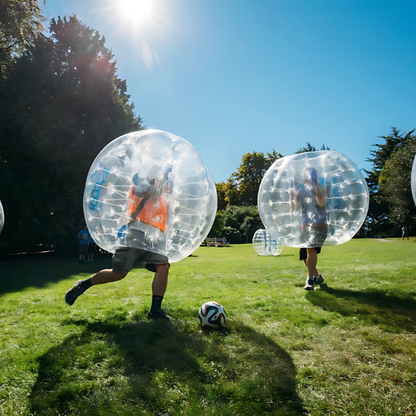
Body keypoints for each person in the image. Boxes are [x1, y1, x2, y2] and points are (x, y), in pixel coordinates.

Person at [65, 166, 172, 320]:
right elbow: (150, 194)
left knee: (164, 267)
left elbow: (164, 210)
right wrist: (164, 180)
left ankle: (155, 311)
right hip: (134, 233)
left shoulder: (161, 189)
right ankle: (83, 285)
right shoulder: (139, 183)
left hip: (153, 235)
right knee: (118, 274)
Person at [291, 167, 328, 290]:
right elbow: (295, 208)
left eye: (310, 175)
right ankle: (317, 276)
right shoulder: (300, 191)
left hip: (319, 226)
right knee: (304, 255)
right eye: (305, 174)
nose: (306, 177)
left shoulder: (321, 189)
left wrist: (316, 185)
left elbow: (321, 202)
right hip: (305, 227)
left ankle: (310, 280)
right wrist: (293, 190)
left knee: (311, 250)